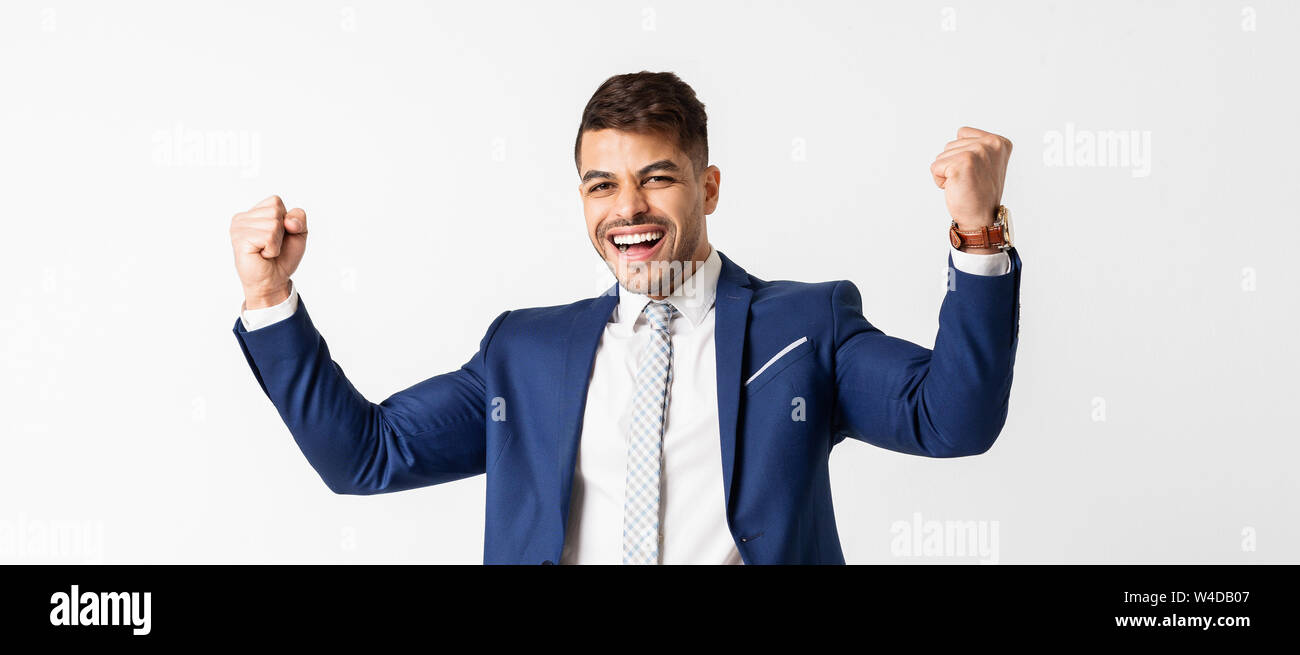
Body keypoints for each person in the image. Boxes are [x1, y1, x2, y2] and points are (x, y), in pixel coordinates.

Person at [229, 71, 1022, 564]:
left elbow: (950, 420)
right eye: (601, 185)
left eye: (657, 178)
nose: (629, 209)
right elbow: (365, 456)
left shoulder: (805, 325)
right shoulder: (525, 353)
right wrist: (270, 299)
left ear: (709, 188)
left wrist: (979, 234)